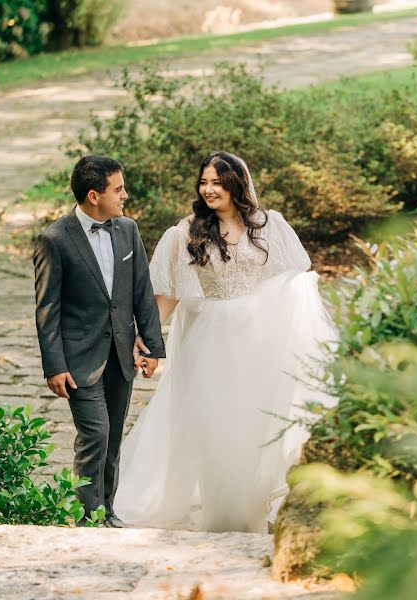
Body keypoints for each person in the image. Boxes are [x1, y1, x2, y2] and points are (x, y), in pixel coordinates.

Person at [113, 151, 337, 533]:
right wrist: (147, 342)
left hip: (258, 341)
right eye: (204, 182)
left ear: (237, 183)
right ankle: (220, 519)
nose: (209, 189)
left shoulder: (270, 226)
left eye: (217, 182)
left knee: (253, 427)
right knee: (214, 427)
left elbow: (289, 279)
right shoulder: (184, 233)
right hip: (209, 340)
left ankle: (250, 517)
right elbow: (167, 295)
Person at [34, 155, 165, 527]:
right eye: (118, 189)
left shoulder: (128, 230)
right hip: (79, 360)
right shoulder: (55, 240)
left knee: (113, 439)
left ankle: (108, 510)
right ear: (94, 195)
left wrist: (153, 347)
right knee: (96, 434)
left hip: (121, 356)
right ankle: (88, 517)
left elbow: (142, 291)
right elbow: (47, 309)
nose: (125, 195)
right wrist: (54, 365)